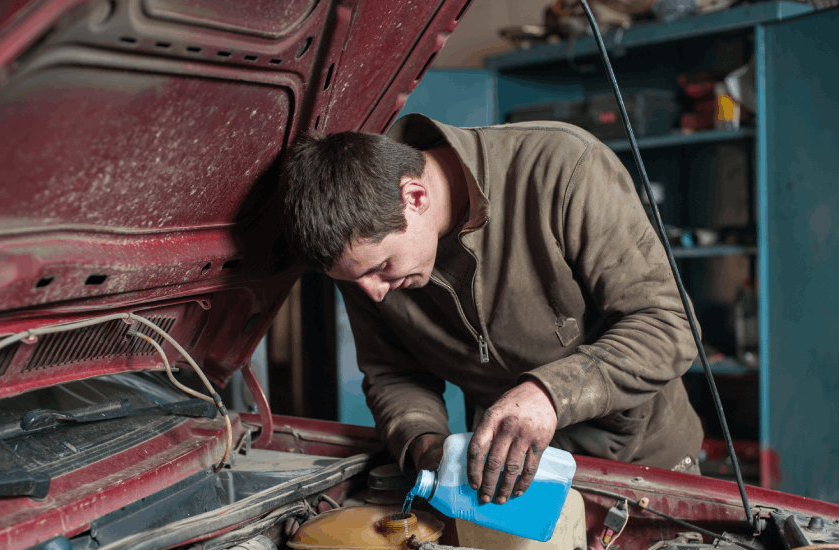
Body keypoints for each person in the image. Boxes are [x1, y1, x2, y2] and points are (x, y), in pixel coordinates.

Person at [281, 114, 703, 506]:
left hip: (643, 469)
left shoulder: (563, 168)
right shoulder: (366, 262)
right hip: (510, 483)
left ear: (415, 196)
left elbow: (669, 324)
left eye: (381, 268)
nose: (373, 293)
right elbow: (393, 373)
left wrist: (549, 394)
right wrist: (427, 446)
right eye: (355, 281)